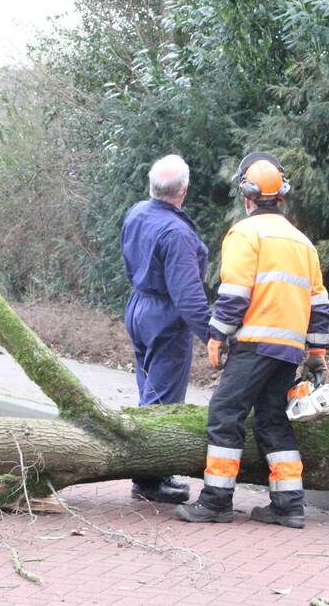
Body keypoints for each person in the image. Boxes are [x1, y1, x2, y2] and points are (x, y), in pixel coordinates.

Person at [175, 151, 329, 528]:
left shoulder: (245, 233)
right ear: (282, 197)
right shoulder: (302, 242)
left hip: (254, 343)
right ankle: (289, 504)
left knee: (224, 414)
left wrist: (216, 336)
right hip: (288, 349)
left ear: (247, 197)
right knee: (273, 419)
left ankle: (215, 500)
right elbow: (320, 303)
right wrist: (316, 353)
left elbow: (234, 295)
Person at [121, 154, 212, 504]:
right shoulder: (176, 233)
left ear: (152, 186)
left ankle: (147, 470)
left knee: (148, 392)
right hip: (165, 316)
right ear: (183, 191)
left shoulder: (137, 213)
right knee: (162, 400)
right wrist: (214, 337)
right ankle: (150, 478)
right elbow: (189, 297)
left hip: (138, 307)